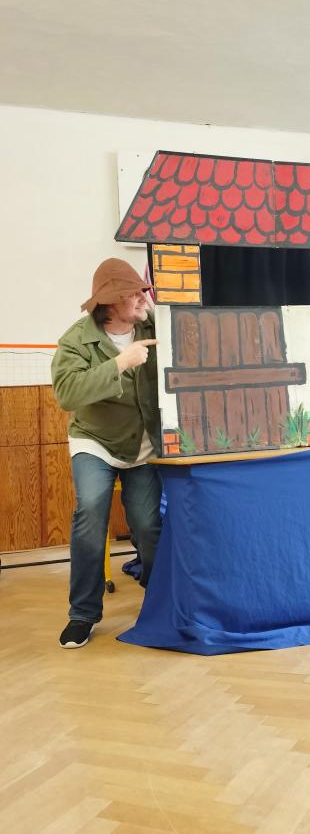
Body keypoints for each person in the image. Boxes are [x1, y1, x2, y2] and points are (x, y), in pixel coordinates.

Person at [51, 257, 163, 649]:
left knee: (147, 525)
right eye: (134, 293)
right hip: (95, 441)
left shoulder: (154, 325)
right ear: (111, 302)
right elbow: (67, 394)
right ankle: (82, 614)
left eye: (143, 292)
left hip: (143, 444)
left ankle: (159, 598)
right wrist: (119, 363)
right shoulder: (76, 340)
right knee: (91, 512)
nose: (143, 298)